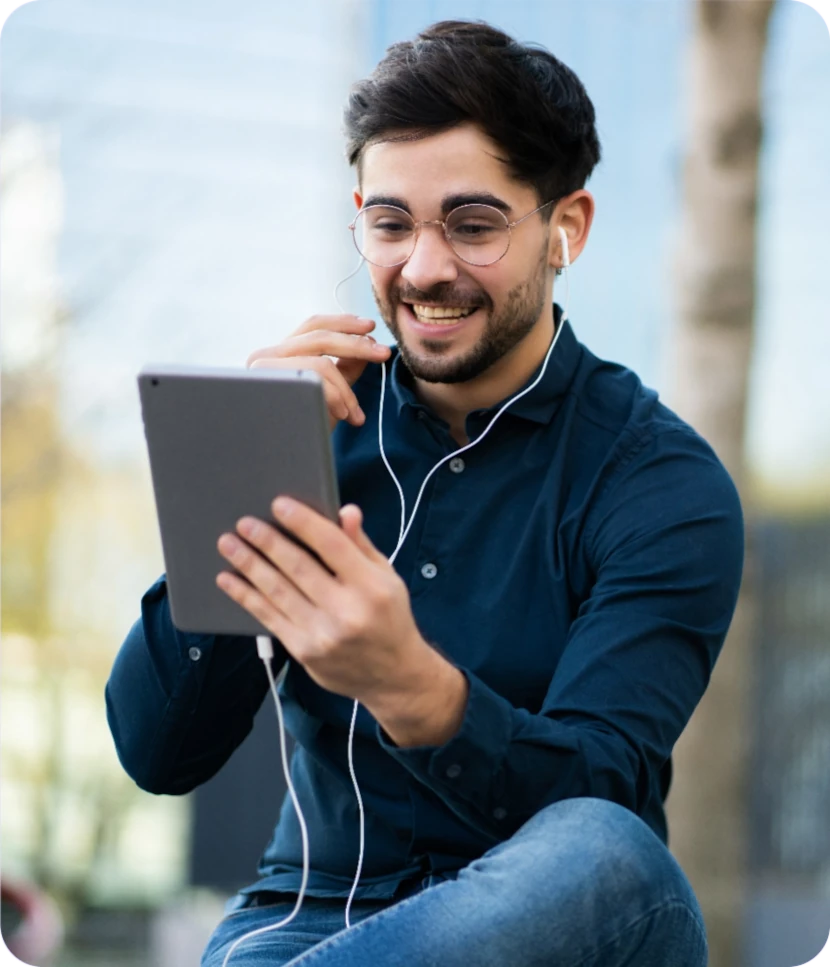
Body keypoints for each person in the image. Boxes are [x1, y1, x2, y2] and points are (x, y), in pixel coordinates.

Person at [106, 20, 743, 967]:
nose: (425, 267)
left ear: (567, 227)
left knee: (614, 851)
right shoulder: (307, 429)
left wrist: (413, 687)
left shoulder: (660, 483)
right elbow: (160, 754)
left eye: (474, 224)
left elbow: (601, 802)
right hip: (300, 928)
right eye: (391, 222)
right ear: (361, 212)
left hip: (564, 936)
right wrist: (242, 476)